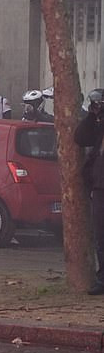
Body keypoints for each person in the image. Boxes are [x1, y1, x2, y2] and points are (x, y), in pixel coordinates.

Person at [74, 89, 104, 296]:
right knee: (100, 235)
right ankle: (102, 278)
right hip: (100, 185)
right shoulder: (98, 124)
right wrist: (92, 115)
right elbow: (80, 137)